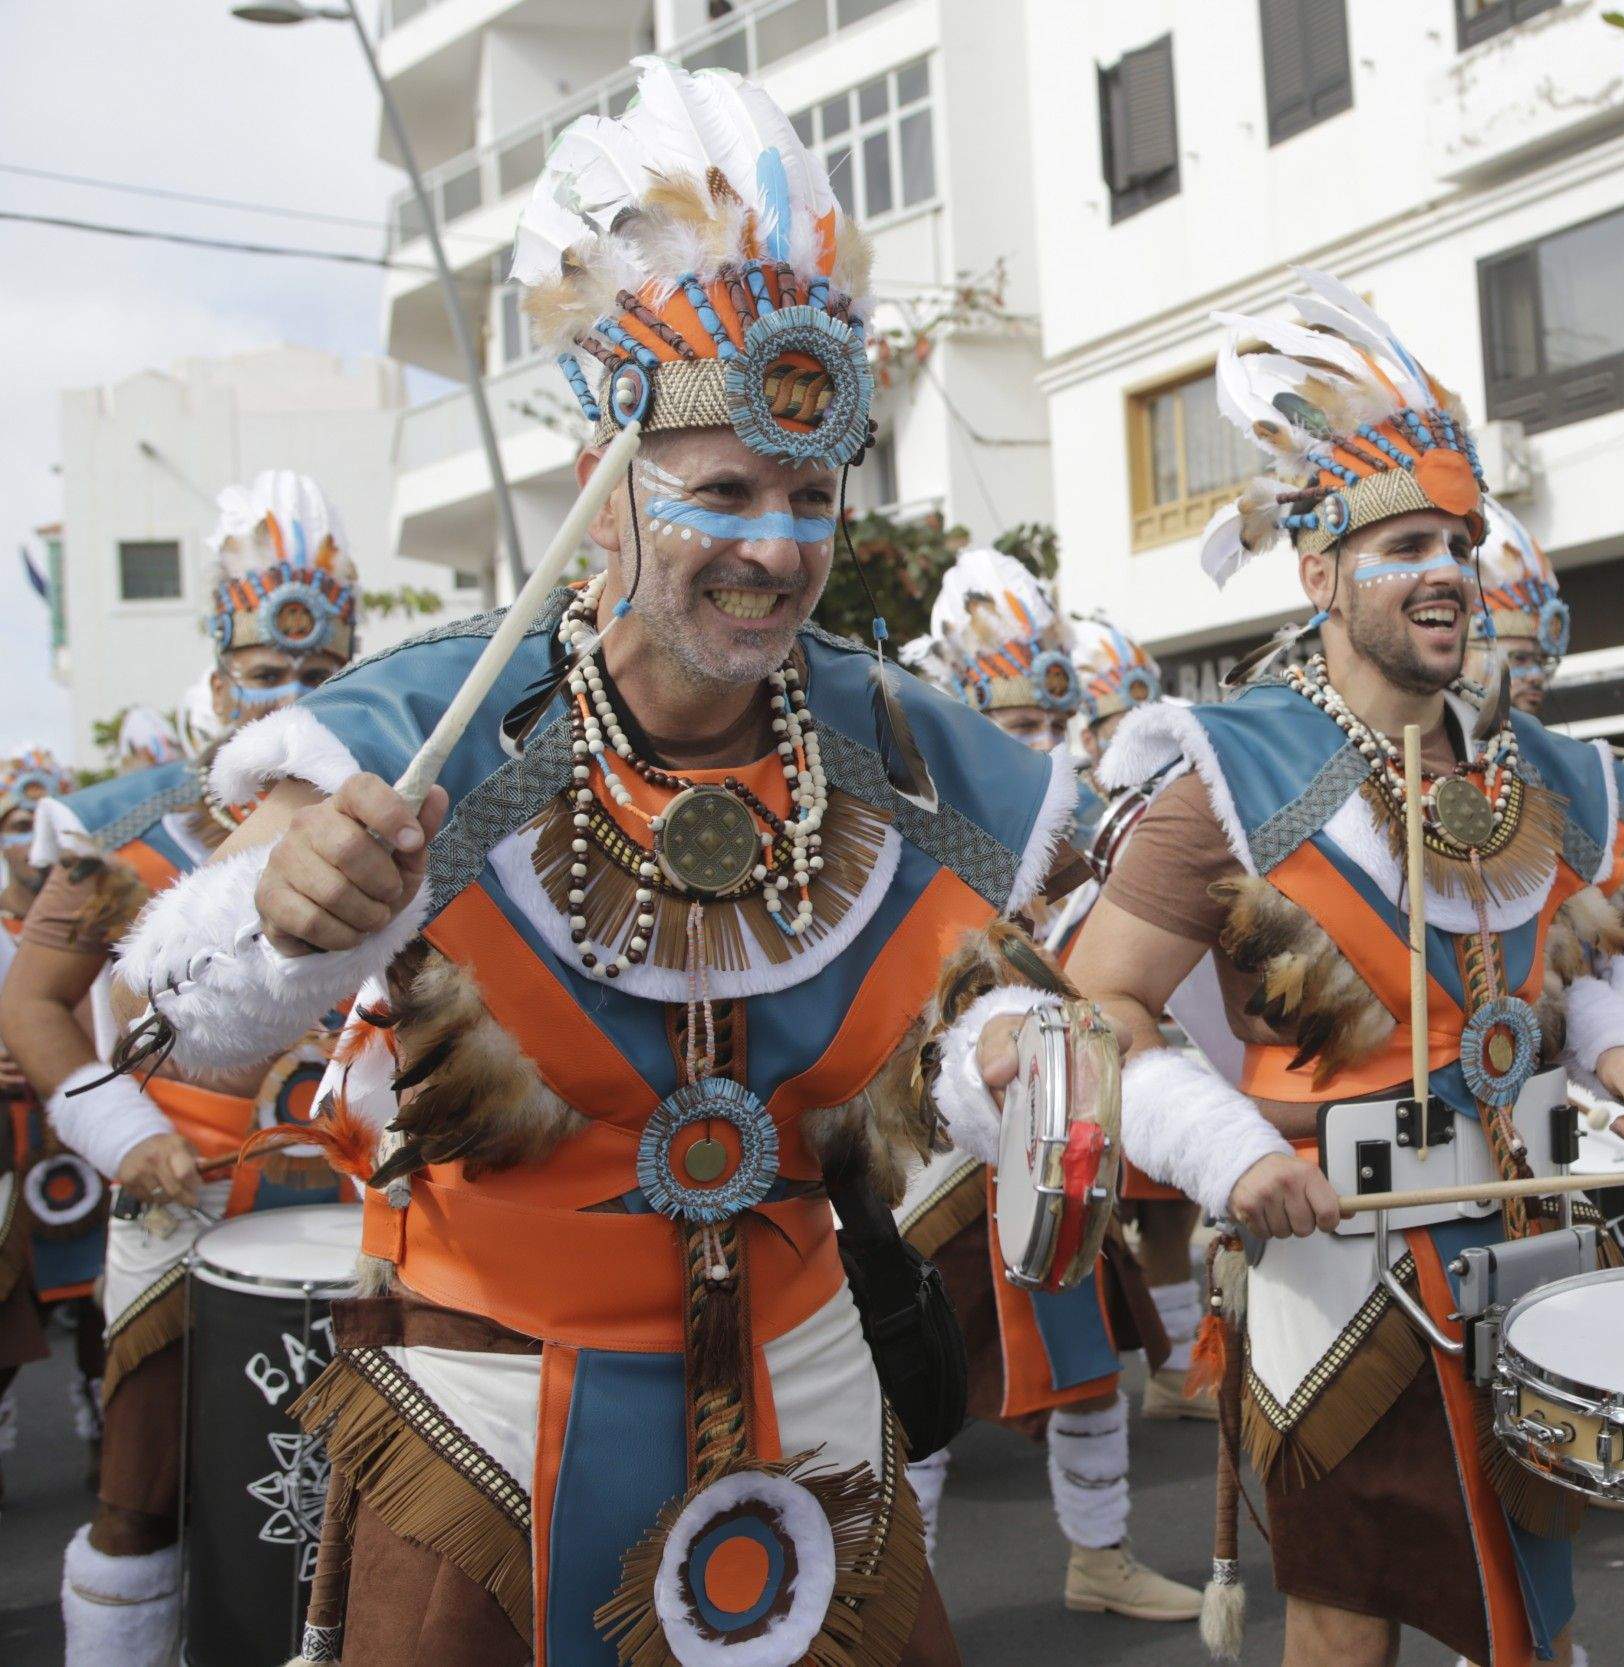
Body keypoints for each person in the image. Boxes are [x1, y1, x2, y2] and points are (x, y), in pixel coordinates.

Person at [100, 58, 1137, 1664]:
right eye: (719, 489)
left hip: (811, 1399)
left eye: (808, 495)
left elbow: (980, 1016)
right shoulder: (432, 721)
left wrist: (1029, 1058)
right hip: (489, 1405)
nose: (775, 547)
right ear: (606, 498)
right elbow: (170, 1020)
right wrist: (287, 915)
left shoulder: (904, 744)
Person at [1068, 269, 1624, 1667]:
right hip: (1331, 1264)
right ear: (1322, 569)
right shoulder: (1227, 770)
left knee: (1530, 1616)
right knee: (1343, 1620)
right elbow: (1093, 1002)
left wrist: (1614, 1036)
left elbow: (1572, 958)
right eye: (1404, 542)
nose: (1448, 572)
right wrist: (1217, 1148)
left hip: (1526, 1251)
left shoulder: (1547, 776)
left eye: (1460, 541)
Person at [0, 471, 359, 1663]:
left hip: (358, 1210)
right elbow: (37, 1001)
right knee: (139, 1493)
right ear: (217, 684)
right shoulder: (121, 830)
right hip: (178, 1192)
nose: (293, 702)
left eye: (320, 680)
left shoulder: (394, 815)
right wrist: (118, 1134)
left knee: (384, 1496)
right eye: (269, 676)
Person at [898, 549, 1200, 1622]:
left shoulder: (1073, 846)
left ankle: (1101, 1555)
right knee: (917, 1391)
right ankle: (909, 1591)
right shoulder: (897, 833)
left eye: (1051, 723)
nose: (1045, 747)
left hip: (1046, 1145)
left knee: (1088, 1373)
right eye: (1019, 725)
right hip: (927, 1169)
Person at [1061, 610, 1221, 1422]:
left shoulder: (1164, 799)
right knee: (1089, 1218)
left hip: (1165, 1026)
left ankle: (1177, 1365)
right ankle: (1118, 1371)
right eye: (1108, 719)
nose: (1124, 732)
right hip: (1079, 1028)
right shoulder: (1064, 813)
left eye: (1135, 712)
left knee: (1170, 1205)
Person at [0, 746, 95, 1504]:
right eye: (16, 823)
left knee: (106, 1308)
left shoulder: (101, 912)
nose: (33, 840)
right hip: (7, 1155)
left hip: (85, 1141)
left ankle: (109, 1439)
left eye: (45, 822)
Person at [1464, 495, 1569, 718]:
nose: (1536, 676)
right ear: (1462, 661)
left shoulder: (1552, 751)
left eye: (1541, 662)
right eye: (1520, 658)